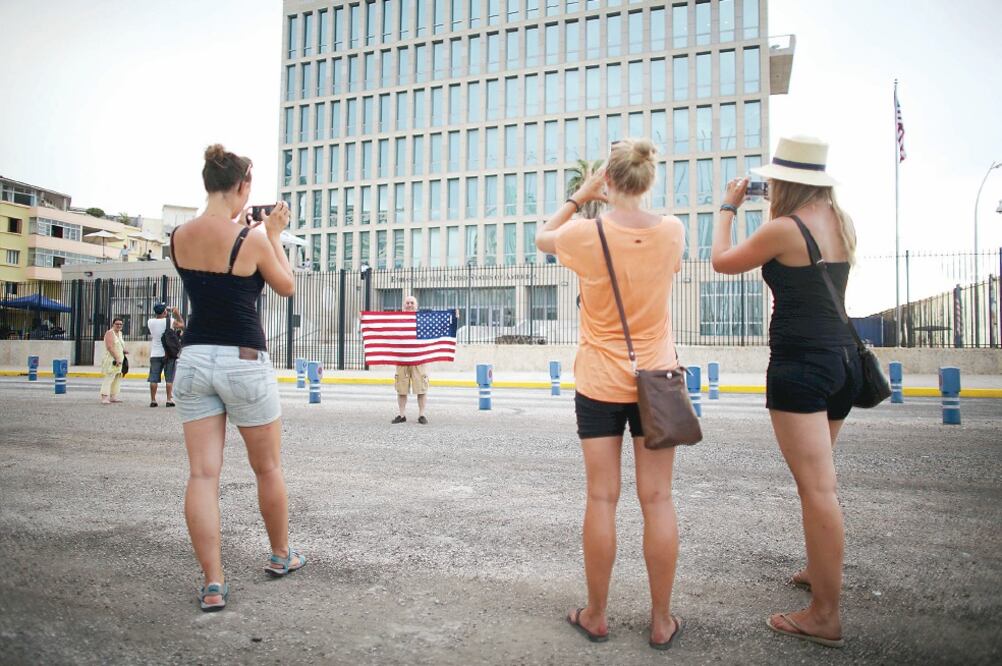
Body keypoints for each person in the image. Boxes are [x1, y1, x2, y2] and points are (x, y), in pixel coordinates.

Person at [535, 138, 686, 650]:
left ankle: (596, 614)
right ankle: (661, 620)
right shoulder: (673, 231)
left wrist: (581, 193)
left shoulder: (584, 233)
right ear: (648, 181)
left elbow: (542, 237)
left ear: (610, 180)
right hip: (657, 383)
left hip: (600, 380)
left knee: (602, 496)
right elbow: (672, 271)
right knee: (658, 499)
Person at [710, 136, 858, 649]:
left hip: (802, 366)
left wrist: (729, 208)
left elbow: (722, 261)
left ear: (786, 182)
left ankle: (825, 615)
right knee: (818, 483)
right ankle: (820, 573)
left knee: (818, 489)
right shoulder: (841, 222)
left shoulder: (782, 228)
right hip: (844, 360)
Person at [169, 144, 301, 612]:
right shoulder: (254, 238)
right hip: (243, 357)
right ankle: (282, 555)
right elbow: (286, 285)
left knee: (202, 474)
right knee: (266, 467)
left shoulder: (178, 235)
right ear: (243, 185)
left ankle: (213, 583)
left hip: (194, 357)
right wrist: (274, 233)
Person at [391, 294, 430, 424]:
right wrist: (365, 319)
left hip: (419, 359)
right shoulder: (397, 320)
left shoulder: (423, 319)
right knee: (401, 389)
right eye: (407, 303)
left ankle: (421, 415)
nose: (409, 305)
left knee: (421, 388)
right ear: (404, 306)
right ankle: (401, 415)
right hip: (402, 359)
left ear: (416, 306)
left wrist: (454, 316)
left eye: (412, 303)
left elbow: (439, 328)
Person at [147, 303, 185, 407]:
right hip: (169, 354)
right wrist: (176, 313)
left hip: (155, 354)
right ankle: (169, 400)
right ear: (165, 312)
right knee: (169, 379)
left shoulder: (150, 322)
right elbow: (182, 325)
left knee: (153, 378)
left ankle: (153, 400)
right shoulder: (171, 321)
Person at [100, 317, 126, 404]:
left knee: (117, 377)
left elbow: (119, 345)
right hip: (112, 359)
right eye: (117, 324)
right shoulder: (110, 333)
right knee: (109, 377)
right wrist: (117, 358)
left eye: (120, 324)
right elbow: (109, 347)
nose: (119, 325)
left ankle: (113, 396)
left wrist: (124, 351)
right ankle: (105, 396)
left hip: (120, 358)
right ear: (113, 324)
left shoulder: (120, 333)